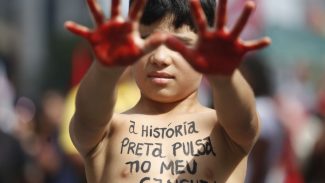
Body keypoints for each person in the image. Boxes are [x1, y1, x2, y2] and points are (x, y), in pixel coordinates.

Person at [64, 0, 271, 182]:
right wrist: (105, 69)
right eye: (145, 40)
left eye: (180, 44)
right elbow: (86, 121)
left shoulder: (223, 130)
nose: (160, 58)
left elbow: (245, 122)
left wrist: (226, 76)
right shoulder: (109, 131)